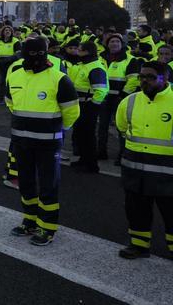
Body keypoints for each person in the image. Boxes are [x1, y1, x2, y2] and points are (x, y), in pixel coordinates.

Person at [5, 38, 80, 246]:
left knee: (48, 185)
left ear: (45, 53)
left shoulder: (59, 79)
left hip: (48, 144)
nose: (34, 58)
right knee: (26, 183)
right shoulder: (15, 75)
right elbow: (10, 103)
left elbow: (72, 112)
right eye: (29, 53)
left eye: (38, 53)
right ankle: (29, 220)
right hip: (21, 141)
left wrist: (54, 130)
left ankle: (47, 227)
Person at [115, 61, 173, 259]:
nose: (144, 81)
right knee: (136, 210)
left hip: (168, 172)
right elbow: (122, 128)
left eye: (150, 77)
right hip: (135, 170)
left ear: (164, 78)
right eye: (141, 77)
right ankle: (139, 245)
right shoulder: (129, 101)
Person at [98, 34, 140, 164]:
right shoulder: (100, 58)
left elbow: (133, 80)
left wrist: (123, 95)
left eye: (117, 41)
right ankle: (101, 152)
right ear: (107, 44)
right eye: (111, 41)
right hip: (104, 99)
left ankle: (122, 154)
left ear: (122, 44)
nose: (114, 43)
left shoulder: (130, 60)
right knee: (102, 127)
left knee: (121, 129)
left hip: (120, 100)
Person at [70, 41, 108, 173]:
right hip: (81, 105)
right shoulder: (84, 65)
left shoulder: (95, 67)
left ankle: (91, 165)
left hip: (88, 106)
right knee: (81, 134)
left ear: (87, 52)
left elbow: (101, 91)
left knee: (88, 136)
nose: (77, 52)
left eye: (79, 50)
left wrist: (92, 106)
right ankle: (83, 160)